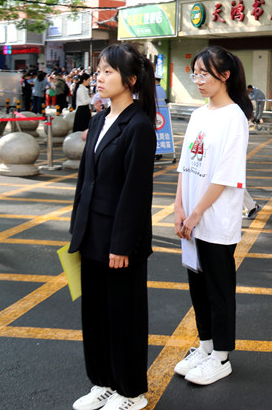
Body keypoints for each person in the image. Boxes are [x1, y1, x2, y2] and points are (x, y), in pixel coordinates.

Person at [69, 44, 157, 410]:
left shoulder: (139, 126)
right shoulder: (97, 120)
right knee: (95, 315)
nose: (99, 78)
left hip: (120, 241)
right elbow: (85, 181)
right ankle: (103, 381)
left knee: (123, 316)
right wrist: (76, 231)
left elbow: (135, 192)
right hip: (90, 235)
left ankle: (131, 392)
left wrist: (121, 245)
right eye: (98, 71)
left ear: (131, 80)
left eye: (108, 71)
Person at [173, 46, 253, 384]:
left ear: (225, 75)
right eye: (195, 73)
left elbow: (224, 175)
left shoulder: (234, 117)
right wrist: (179, 208)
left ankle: (221, 356)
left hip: (215, 219)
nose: (198, 79)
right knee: (197, 286)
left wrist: (195, 214)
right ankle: (205, 346)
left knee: (219, 290)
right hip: (191, 217)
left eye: (204, 73)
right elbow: (185, 166)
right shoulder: (198, 115)